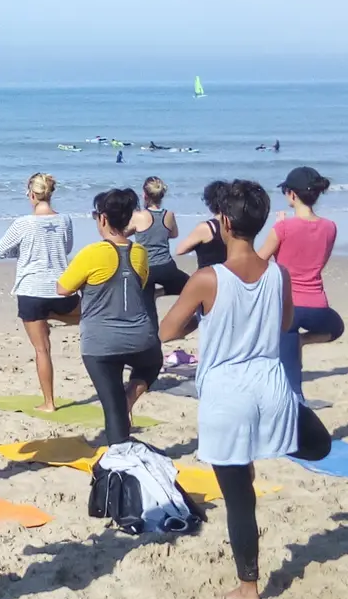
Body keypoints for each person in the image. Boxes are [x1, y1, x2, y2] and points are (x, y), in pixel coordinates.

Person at [158, 179, 330, 599]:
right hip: (272, 387)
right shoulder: (279, 274)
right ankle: (263, 449)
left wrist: (203, 322)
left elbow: (167, 331)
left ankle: (249, 587)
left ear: (224, 223)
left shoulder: (206, 278)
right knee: (317, 445)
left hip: (227, 393)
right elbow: (286, 321)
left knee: (239, 500)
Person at [58, 188, 161, 445]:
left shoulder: (92, 253)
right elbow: (141, 281)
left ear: (102, 218)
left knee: (113, 407)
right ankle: (128, 399)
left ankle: (119, 450)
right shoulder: (140, 253)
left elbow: (63, 288)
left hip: (101, 344)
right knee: (152, 363)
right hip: (141, 338)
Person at [0, 173, 79, 411]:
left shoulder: (23, 223)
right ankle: (53, 315)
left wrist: (23, 254)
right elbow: (67, 247)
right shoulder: (65, 220)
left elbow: (0, 251)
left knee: (42, 350)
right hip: (61, 288)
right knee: (86, 315)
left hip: (32, 290)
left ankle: (49, 402)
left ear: (31, 194)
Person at [258, 166, 340, 396]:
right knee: (336, 328)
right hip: (318, 306)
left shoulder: (283, 227)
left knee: (291, 381)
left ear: (292, 194)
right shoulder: (330, 227)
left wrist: (279, 227)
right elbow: (319, 260)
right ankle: (301, 342)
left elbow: (258, 261)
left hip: (287, 308)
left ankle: (297, 421)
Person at [130, 176, 188, 307]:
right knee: (189, 285)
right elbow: (174, 234)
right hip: (166, 266)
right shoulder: (169, 215)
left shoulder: (138, 216)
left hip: (145, 268)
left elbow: (124, 233)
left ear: (144, 195)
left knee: (147, 303)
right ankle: (160, 293)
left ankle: (153, 297)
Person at [176, 181, 232, 271]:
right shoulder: (236, 224)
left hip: (207, 276)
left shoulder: (206, 227)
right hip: (230, 274)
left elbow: (180, 250)